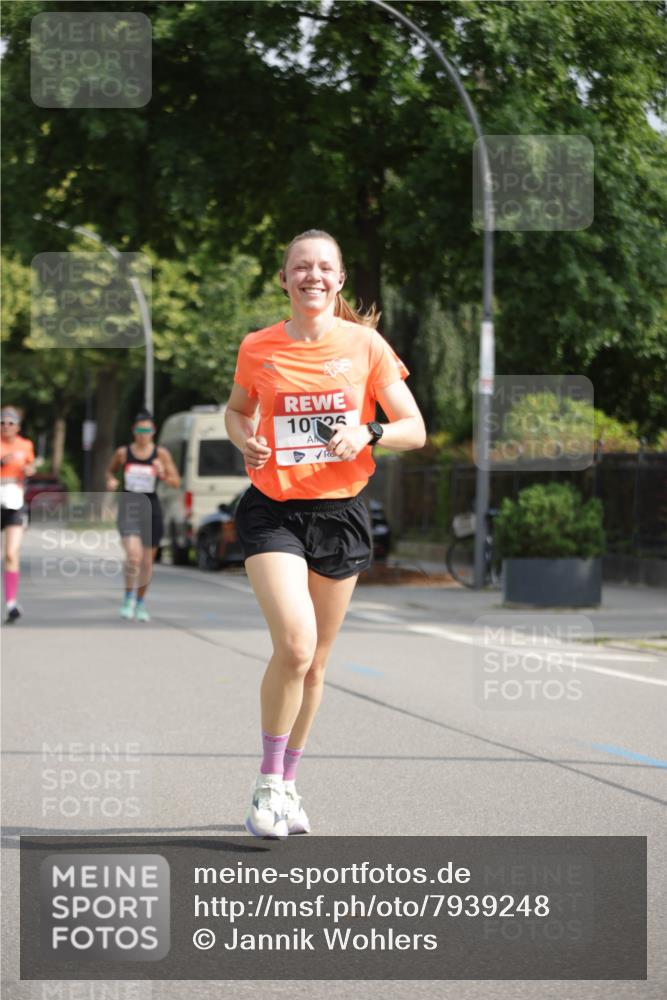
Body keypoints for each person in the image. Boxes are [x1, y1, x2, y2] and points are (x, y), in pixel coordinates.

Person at [225, 229, 426, 837]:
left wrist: (368, 432)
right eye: (300, 267)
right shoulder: (258, 346)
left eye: (323, 267)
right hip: (273, 510)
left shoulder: (366, 346)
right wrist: (245, 439)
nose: (311, 275)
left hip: (340, 514)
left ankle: (289, 784)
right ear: (284, 279)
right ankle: (266, 785)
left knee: (315, 667)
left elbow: (414, 428)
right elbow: (237, 410)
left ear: (339, 280)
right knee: (294, 646)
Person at [106, 410, 180, 622]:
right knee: (133, 556)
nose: (143, 434)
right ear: (134, 431)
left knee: (147, 563)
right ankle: (128, 598)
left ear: (153, 431)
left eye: (147, 430)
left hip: (151, 509)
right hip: (129, 507)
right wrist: (110, 480)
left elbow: (176, 482)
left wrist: (162, 473)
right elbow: (110, 471)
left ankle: (140, 602)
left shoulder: (161, 454)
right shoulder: (123, 453)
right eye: (139, 430)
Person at [1, 406, 36, 624]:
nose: (6, 426)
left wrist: (29, 470)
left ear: (18, 426)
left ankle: (11, 603)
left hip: (14, 501)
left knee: (11, 553)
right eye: (2, 423)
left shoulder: (26, 445)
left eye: (10, 423)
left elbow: (30, 466)